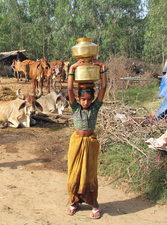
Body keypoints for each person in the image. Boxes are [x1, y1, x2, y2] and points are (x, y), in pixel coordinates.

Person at [66, 58, 107, 219]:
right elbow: (69, 88)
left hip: (90, 144)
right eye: (83, 99)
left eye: (89, 99)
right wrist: (72, 67)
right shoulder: (75, 107)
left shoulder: (95, 107)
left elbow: (103, 87)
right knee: (74, 173)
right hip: (76, 144)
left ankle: (94, 204)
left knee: (90, 175)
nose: (86, 102)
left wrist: (103, 69)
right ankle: (73, 201)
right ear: (78, 98)